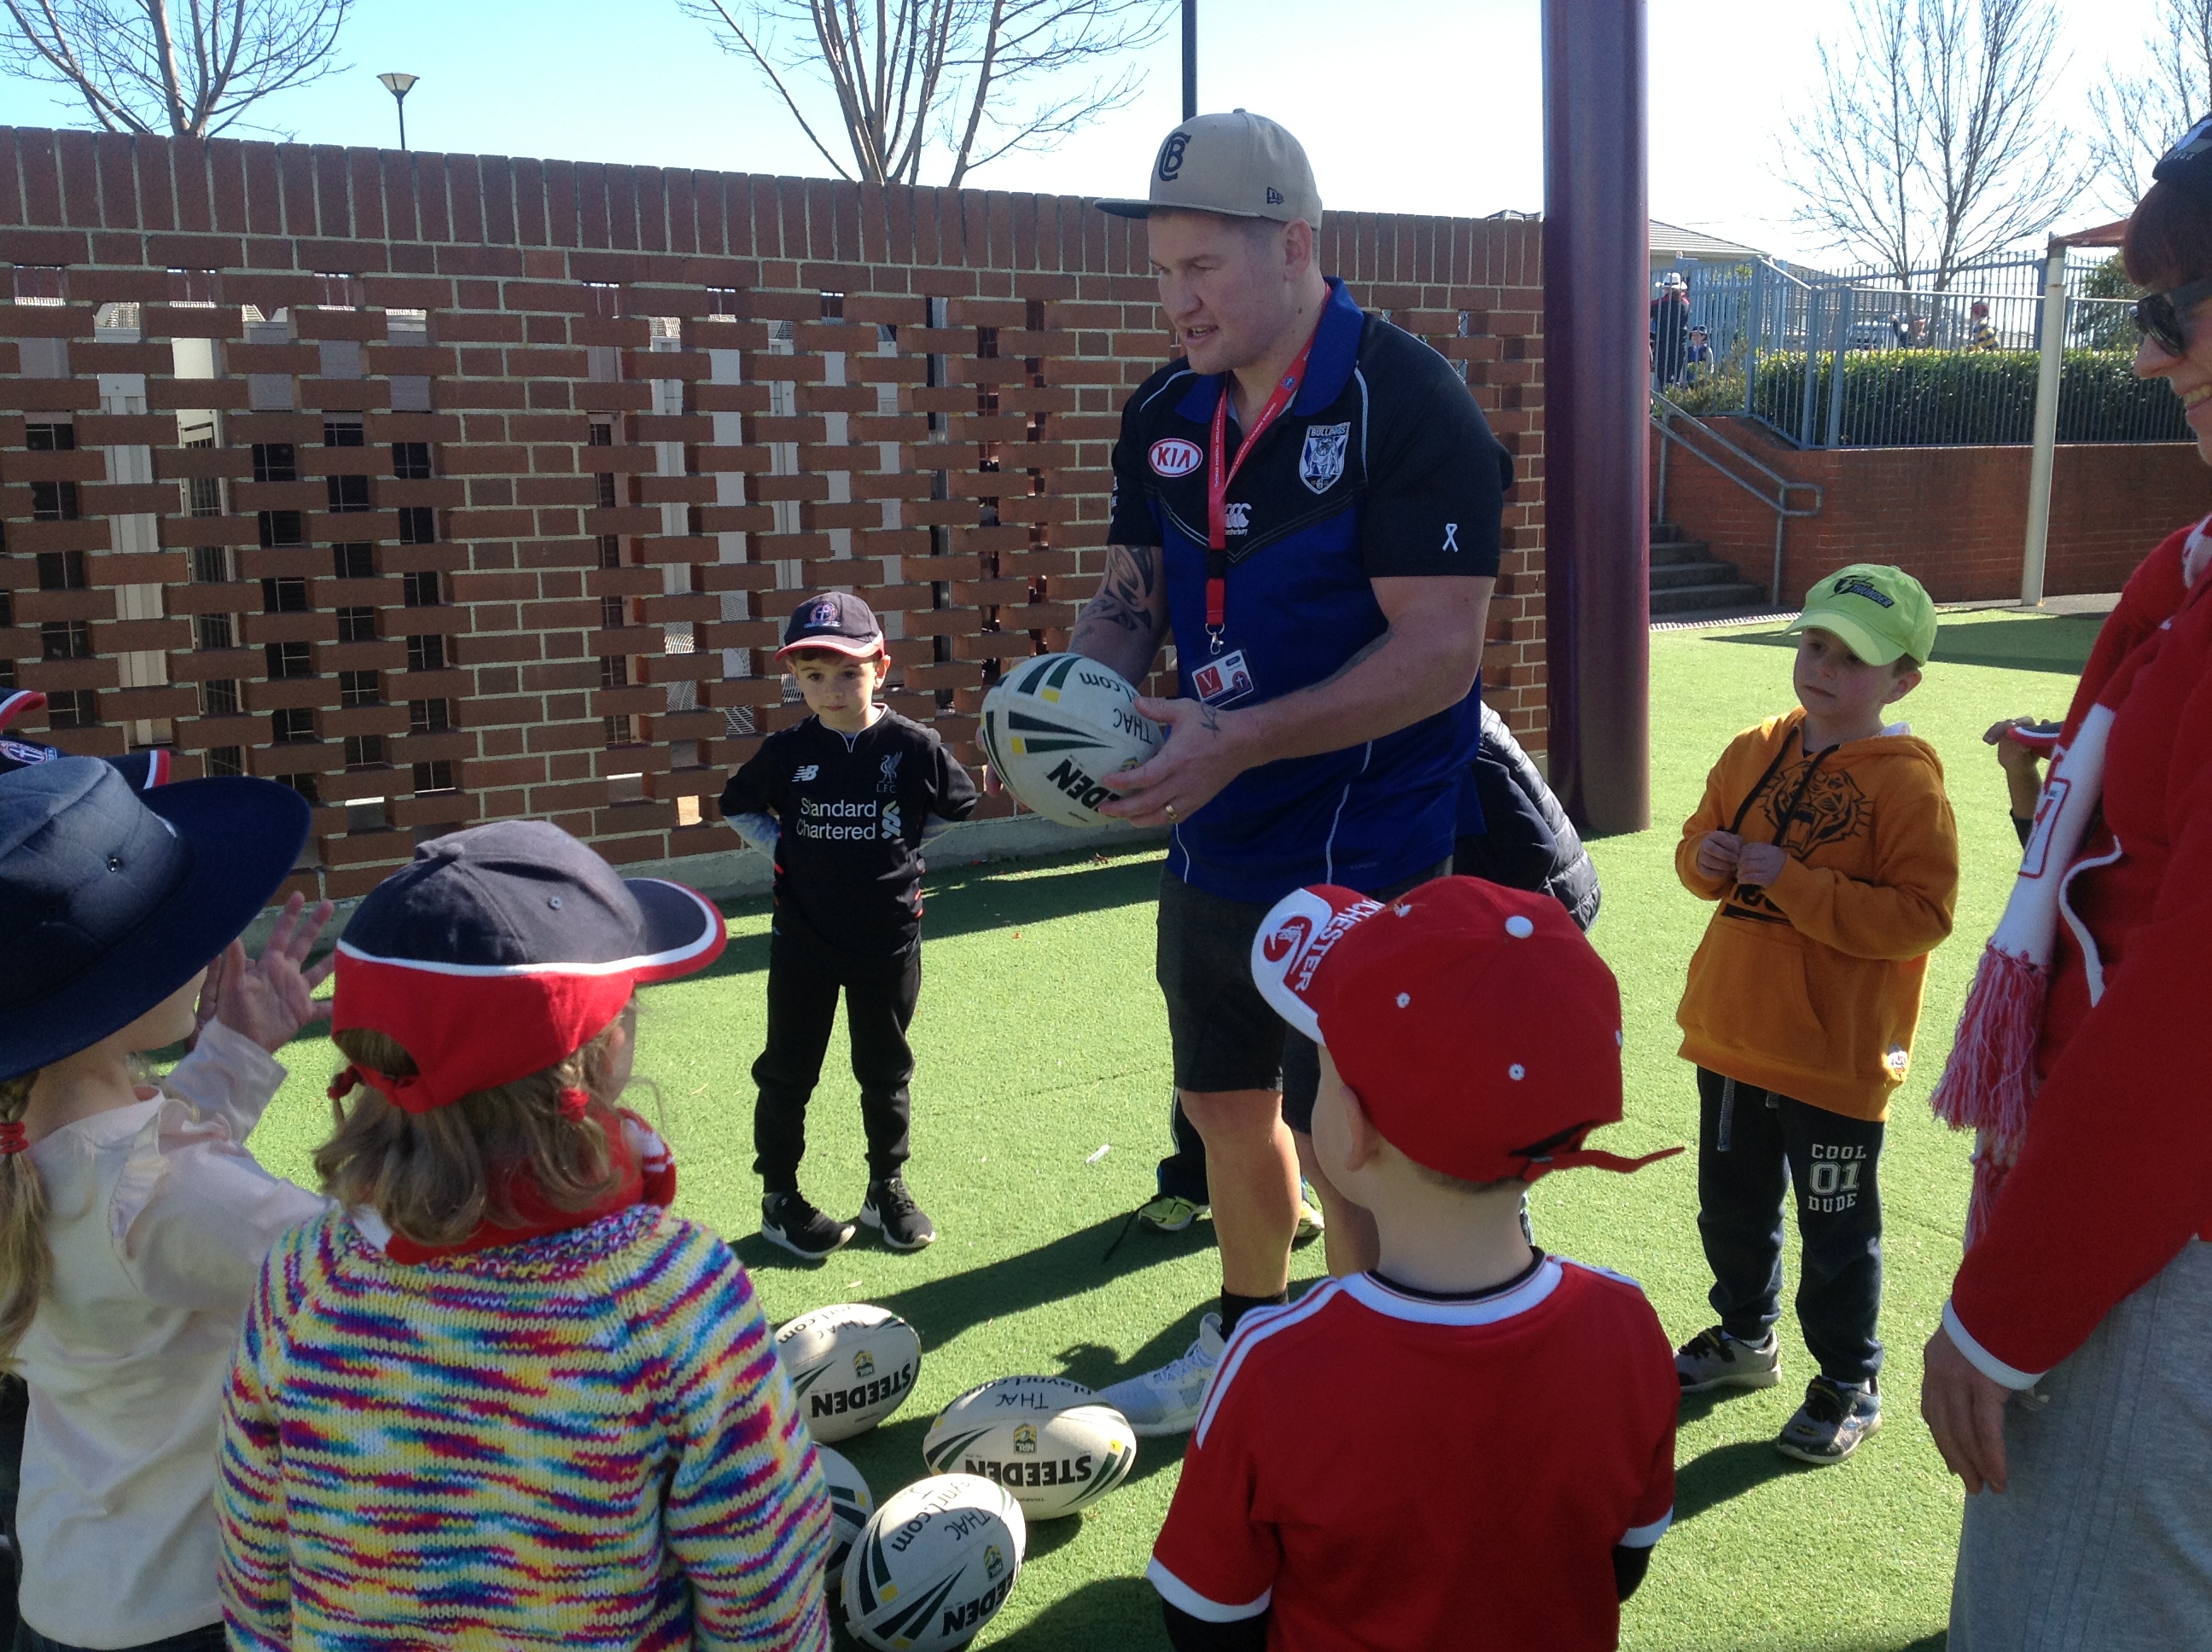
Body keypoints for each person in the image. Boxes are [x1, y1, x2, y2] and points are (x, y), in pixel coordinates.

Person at [1073, 109, 1508, 1434]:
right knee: (1218, 1100)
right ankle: (1249, 1337)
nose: (1174, 299)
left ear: (1294, 244)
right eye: (1159, 270)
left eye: (1201, 267)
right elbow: (1130, 595)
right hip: (1216, 817)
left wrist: (1244, 735)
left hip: (1368, 836)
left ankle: (1362, 1373)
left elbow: (1440, 652)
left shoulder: (1405, 396)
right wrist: (1076, 700)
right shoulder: (1161, 408)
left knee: (1353, 1137)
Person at [216, 819, 832, 1650]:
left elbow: (258, 1578)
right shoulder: (672, 1296)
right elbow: (768, 1602)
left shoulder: (300, 1276)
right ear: (607, 1049)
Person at [1920, 113, 2212, 1647]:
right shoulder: (2189, 562)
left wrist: (2002, 1310)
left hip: (2166, 1255)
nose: (2149, 353)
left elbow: (2194, 1016)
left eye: (2169, 306)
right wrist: (2090, 815)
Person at [1148, 876, 1679, 1652]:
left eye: (1321, 1067)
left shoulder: (1271, 1360)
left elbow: (1207, 1620)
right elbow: (1624, 1560)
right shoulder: (1628, 1324)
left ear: (1351, 1134)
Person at [1, 757, 336, 1652]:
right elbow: (364, 1276)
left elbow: (133, 1183)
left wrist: (234, 1054)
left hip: (68, 1593)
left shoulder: (39, 1159)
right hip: (195, 1608)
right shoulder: (164, 1194)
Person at [1673, 564, 1959, 1464]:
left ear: (1904, 680)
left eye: (1853, 658)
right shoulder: (1753, 746)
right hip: (1732, 1029)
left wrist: (1793, 882)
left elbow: (1923, 916)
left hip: (1833, 1059)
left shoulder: (1908, 784)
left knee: (1837, 1230)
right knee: (1731, 1208)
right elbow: (1692, 857)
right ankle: (1746, 1337)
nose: (1823, 667)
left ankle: (1848, 1381)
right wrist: (1706, 858)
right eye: (1814, 644)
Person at [719, 591, 978, 1259]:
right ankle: (780, 1197)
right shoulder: (787, 751)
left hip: (887, 942)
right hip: (802, 944)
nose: (831, 691)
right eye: (813, 676)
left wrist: (901, 851)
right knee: (786, 1073)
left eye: (848, 674)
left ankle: (885, 1188)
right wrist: (787, 849)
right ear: (795, 679)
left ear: (880, 669)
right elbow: (736, 806)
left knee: (885, 1071)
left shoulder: (913, 747)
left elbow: (957, 805)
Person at [1651, 271, 1691, 385]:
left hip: (1663, 345)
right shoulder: (1686, 304)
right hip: (1680, 345)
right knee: (1676, 379)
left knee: (1663, 378)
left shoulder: (1659, 304)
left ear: (1667, 289)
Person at [1679, 323, 1715, 387]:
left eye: (1696, 335)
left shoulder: (1706, 350)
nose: (1694, 337)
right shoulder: (1689, 350)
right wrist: (1681, 381)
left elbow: (1710, 367)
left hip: (1701, 383)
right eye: (1693, 335)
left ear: (1703, 337)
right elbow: (1684, 366)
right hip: (1688, 383)